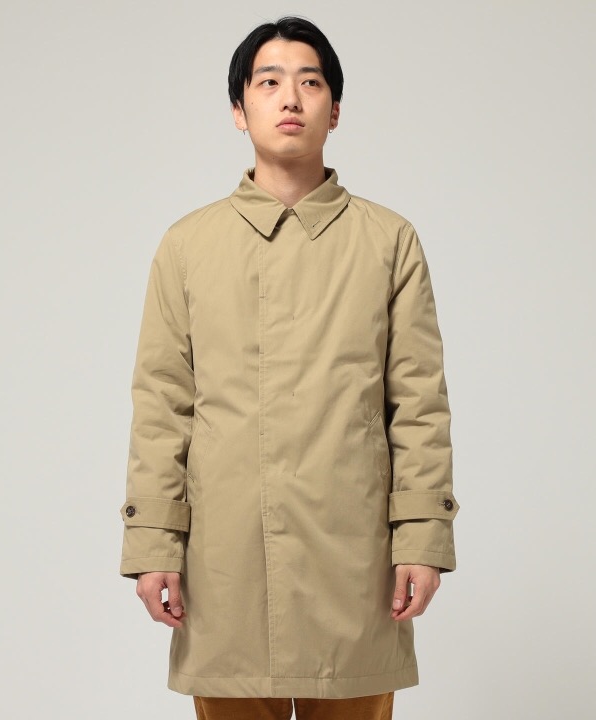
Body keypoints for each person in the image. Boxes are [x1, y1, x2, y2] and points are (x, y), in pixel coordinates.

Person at [119, 15, 459, 720]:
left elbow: (419, 406)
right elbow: (161, 407)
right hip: (228, 558)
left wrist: (422, 539)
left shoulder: (389, 241)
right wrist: (154, 544)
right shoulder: (188, 246)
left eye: (310, 82)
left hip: (355, 556)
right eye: (268, 82)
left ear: (335, 110)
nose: (290, 99)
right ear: (238, 110)